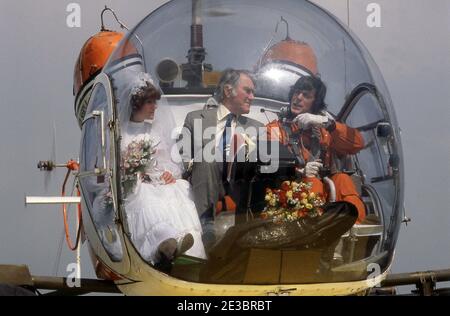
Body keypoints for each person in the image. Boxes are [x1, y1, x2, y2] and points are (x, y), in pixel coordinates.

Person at [120, 72, 206, 268]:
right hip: (135, 183)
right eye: (150, 102)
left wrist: (168, 172)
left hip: (156, 179)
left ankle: (188, 247)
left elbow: (166, 162)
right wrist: (133, 172)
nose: (155, 107)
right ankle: (163, 245)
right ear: (137, 103)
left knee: (181, 188)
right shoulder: (121, 134)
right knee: (146, 197)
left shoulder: (153, 131)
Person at [179, 69, 264, 248]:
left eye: (253, 92)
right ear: (227, 91)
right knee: (207, 156)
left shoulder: (257, 127)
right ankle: (206, 221)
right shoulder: (195, 118)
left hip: (237, 185)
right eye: (247, 91)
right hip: (203, 180)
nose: (252, 96)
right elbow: (183, 155)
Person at [266, 75, 366, 223]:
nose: (298, 98)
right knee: (312, 182)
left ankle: (352, 230)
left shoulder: (324, 131)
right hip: (291, 193)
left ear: (316, 103)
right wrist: (299, 171)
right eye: (296, 92)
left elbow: (357, 144)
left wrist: (329, 124)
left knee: (342, 179)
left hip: (325, 193)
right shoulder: (275, 129)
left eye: (306, 95)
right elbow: (269, 165)